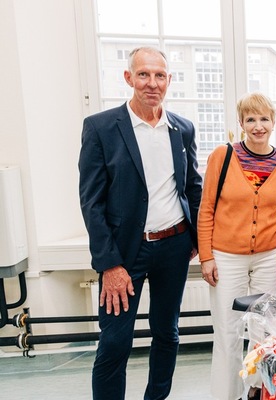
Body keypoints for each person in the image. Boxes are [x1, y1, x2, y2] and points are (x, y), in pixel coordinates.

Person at [78, 46, 203, 400]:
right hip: (124, 253)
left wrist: (197, 240)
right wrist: (110, 264)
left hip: (174, 247)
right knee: (115, 340)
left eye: (160, 75)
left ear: (169, 80)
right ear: (129, 78)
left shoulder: (183, 128)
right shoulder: (101, 128)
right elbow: (91, 202)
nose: (152, 83)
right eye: (144, 74)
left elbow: (193, 187)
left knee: (167, 333)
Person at [197, 92, 276, 399]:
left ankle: (257, 389)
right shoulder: (222, 157)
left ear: (273, 122)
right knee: (228, 330)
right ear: (241, 123)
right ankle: (226, 395)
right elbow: (207, 208)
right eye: (250, 119)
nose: (258, 126)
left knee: (264, 329)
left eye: (264, 118)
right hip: (226, 257)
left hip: (269, 255)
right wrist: (206, 256)